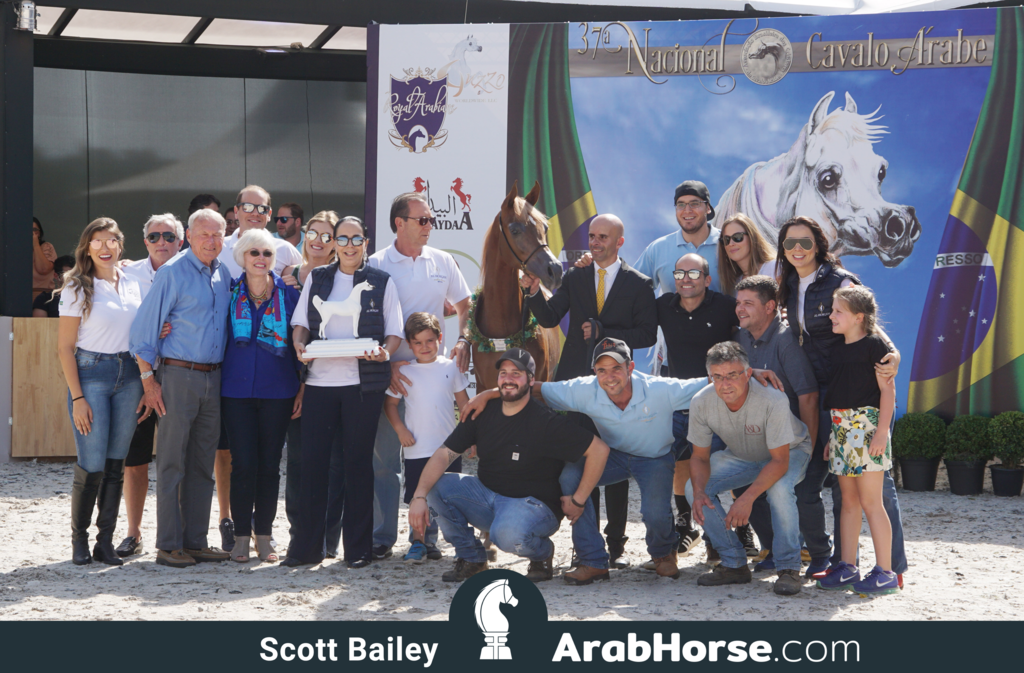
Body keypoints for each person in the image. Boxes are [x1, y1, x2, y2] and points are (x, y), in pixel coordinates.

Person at [775, 215, 905, 585]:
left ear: (818, 245)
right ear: (782, 250)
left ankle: (891, 570)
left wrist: (893, 354)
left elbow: (870, 326)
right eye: (789, 243)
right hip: (827, 400)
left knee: (877, 493)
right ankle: (844, 563)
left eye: (804, 242)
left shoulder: (840, 281)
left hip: (862, 401)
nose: (797, 249)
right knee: (839, 486)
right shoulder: (786, 284)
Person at [523, 213, 657, 568]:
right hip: (577, 384)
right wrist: (533, 292)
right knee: (581, 461)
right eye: (592, 236)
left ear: (619, 242)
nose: (595, 242)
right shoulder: (577, 275)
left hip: (618, 386)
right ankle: (589, 546)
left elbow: (648, 335)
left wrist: (605, 331)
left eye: (602, 237)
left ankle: (615, 545)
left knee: (612, 460)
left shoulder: (640, 284)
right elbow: (551, 317)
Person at [408, 349, 610, 583]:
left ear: (531, 380)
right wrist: (419, 496)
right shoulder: (481, 413)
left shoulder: (546, 421)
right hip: (488, 498)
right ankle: (471, 558)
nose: (508, 378)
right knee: (434, 485)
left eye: (517, 373)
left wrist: (579, 499)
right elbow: (444, 454)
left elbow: (599, 449)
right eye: (503, 373)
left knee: (506, 534)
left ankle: (543, 553)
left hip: (534, 507)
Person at [283, 215, 403, 568]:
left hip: (362, 388)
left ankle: (358, 550)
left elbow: (393, 332)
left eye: (356, 239)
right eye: (343, 239)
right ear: (334, 243)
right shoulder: (318, 278)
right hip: (320, 385)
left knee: (357, 466)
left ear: (366, 242)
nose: (349, 245)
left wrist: (384, 352)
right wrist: (299, 346)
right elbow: (301, 325)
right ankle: (305, 549)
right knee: (313, 466)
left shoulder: (381, 282)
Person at [368, 192, 472, 561]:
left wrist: (462, 339)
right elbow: (366, 320)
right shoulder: (376, 263)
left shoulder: (443, 260)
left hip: (432, 378)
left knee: (432, 460)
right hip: (387, 377)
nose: (431, 225)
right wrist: (386, 364)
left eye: (431, 220)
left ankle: (426, 538)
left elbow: (465, 305)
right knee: (384, 463)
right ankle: (382, 538)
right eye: (423, 220)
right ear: (399, 223)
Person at [129, 208, 232, 568]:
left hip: (213, 377)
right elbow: (142, 334)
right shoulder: (172, 272)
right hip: (177, 377)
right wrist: (149, 382)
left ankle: (196, 541)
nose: (211, 240)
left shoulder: (225, 274)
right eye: (204, 233)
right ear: (188, 236)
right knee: (172, 462)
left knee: (203, 462)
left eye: (217, 234)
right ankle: (168, 544)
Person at [686, 341, 813, 596]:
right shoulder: (701, 401)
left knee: (778, 489)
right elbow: (699, 457)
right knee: (693, 489)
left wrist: (747, 499)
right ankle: (734, 563)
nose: (725, 384)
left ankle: (789, 567)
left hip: (791, 450)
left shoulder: (771, 398)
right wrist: (700, 491)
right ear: (709, 377)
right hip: (742, 455)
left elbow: (779, 462)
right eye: (718, 377)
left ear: (747, 374)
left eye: (732, 375)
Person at [57, 218, 144, 566]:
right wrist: (77, 398)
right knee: (91, 463)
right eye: (98, 241)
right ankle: (79, 540)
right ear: (87, 247)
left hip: (130, 375)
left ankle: (104, 542)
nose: (105, 247)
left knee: (114, 463)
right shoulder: (77, 287)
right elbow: (64, 348)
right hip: (91, 374)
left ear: (121, 245)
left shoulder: (134, 283)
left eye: (112, 240)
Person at [221, 228, 302, 563]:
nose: (260, 259)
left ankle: (265, 538)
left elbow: (304, 345)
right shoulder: (226, 294)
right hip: (235, 391)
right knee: (243, 465)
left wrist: (303, 388)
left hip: (279, 392)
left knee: (269, 466)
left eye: (267, 254)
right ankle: (241, 537)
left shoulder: (290, 296)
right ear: (242, 256)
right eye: (254, 253)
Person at [656, 253, 741, 561]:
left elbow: (755, 326)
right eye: (679, 273)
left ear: (707, 279)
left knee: (718, 466)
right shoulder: (663, 306)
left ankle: (723, 535)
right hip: (679, 402)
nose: (686, 279)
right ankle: (684, 525)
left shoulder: (725, 305)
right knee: (673, 460)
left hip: (720, 402)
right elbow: (632, 322)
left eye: (693, 273)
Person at [816, 286, 899, 595]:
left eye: (838, 311)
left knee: (871, 502)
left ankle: (886, 573)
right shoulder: (837, 349)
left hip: (868, 429)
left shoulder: (875, 345)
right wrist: (832, 437)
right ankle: (848, 566)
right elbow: (839, 393)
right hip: (840, 430)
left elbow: (887, 391)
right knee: (847, 502)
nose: (831, 316)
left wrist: (881, 431)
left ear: (858, 317)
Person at [734, 275, 819, 571]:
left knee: (777, 487)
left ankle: (795, 555)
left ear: (771, 306)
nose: (740, 309)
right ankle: (772, 547)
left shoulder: (786, 341)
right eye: (738, 303)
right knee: (737, 483)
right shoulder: (740, 336)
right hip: (756, 439)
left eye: (748, 303)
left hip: (791, 441)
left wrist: (809, 445)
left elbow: (808, 397)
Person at [115, 213, 185, 558]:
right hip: (138, 376)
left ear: (180, 241)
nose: (162, 242)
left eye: (169, 236)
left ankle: (181, 533)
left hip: (181, 376)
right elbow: (119, 323)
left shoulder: (195, 272)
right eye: (155, 236)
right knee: (136, 458)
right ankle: (133, 532)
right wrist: (146, 332)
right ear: (145, 242)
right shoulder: (126, 274)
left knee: (181, 460)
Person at [384, 312, 471, 563]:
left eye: (430, 341)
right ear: (409, 344)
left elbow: (465, 406)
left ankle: (456, 544)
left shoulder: (451, 367)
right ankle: (419, 542)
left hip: (449, 449)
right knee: (417, 497)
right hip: (417, 449)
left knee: (450, 497)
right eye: (418, 342)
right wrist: (401, 430)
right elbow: (390, 405)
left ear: (440, 339)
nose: (425, 347)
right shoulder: (404, 371)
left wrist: (470, 439)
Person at [280, 211, 342, 554]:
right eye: (313, 233)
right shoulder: (285, 275)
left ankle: (329, 541)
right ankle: (299, 534)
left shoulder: (342, 278)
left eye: (327, 235)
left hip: (331, 381)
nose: (318, 240)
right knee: (299, 462)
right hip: (292, 382)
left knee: (334, 463)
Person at [635, 181, 722, 295]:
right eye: (681, 204)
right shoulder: (657, 249)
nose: (687, 210)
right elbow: (632, 291)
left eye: (694, 203)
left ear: (708, 208)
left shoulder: (729, 244)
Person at [218, 185, 303, 281]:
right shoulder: (218, 248)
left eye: (262, 208)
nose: (255, 213)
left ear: (269, 214)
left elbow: (306, 282)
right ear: (236, 211)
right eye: (248, 207)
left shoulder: (285, 249)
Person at [716, 213, 777, 295]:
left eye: (737, 237)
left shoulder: (775, 268)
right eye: (726, 239)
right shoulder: (733, 283)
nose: (731, 243)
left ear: (752, 237)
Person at [32, 217, 59, 300]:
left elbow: (43, 269)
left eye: (34, 229)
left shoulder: (46, 247)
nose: (31, 232)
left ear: (39, 233)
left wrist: (35, 244)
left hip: (43, 295)